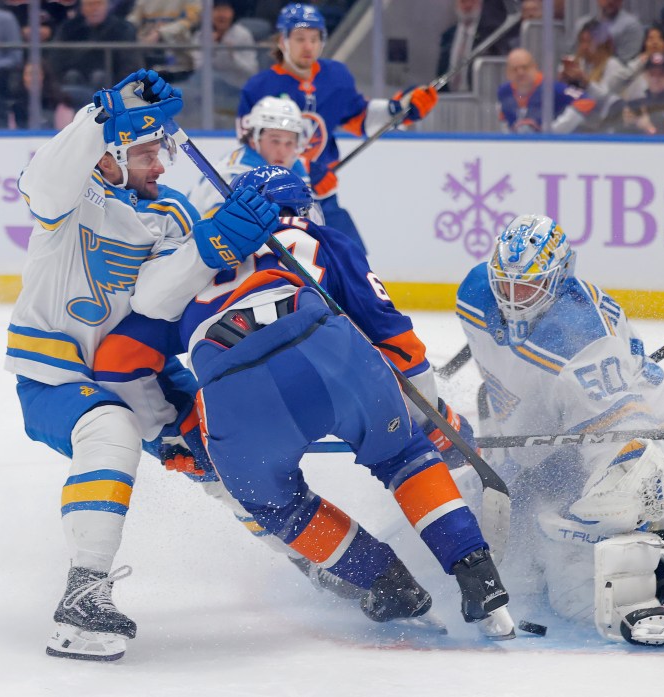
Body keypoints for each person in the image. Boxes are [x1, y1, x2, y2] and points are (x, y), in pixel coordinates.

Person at [110, 165, 517, 640]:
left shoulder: (188, 264)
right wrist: (431, 419)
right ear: (301, 209)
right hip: (327, 351)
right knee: (404, 455)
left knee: (274, 505)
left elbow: (120, 359)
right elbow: (393, 337)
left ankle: (389, 585)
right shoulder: (325, 240)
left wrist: (173, 434)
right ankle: (477, 573)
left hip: (230, 383)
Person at [4, 68, 278, 662]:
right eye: (149, 151)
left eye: (161, 150)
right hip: (59, 375)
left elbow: (158, 300)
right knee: (110, 429)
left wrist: (219, 243)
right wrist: (97, 116)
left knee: (229, 458)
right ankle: (83, 594)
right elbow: (41, 183)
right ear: (109, 158)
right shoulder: (70, 195)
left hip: (138, 370)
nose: (161, 165)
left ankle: (328, 562)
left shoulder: (172, 213)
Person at [455, 213, 664, 646]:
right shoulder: (476, 291)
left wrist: (613, 498)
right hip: (544, 441)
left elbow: (625, 430)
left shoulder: (582, 340)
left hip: (640, 440)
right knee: (516, 565)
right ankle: (656, 535)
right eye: (504, 284)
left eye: (527, 287)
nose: (512, 299)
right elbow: (507, 368)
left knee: (575, 586)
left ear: (560, 277)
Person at [238, 3, 438, 253]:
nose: (308, 46)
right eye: (300, 39)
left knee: (353, 259)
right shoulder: (258, 88)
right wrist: (307, 169)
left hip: (323, 197)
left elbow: (360, 117)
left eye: (315, 38)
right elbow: (251, 149)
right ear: (282, 41)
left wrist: (399, 109)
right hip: (273, 200)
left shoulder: (336, 77)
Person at [187, 95, 310, 219]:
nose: (282, 151)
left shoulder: (295, 166)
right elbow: (219, 228)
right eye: (275, 141)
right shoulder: (236, 174)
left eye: (289, 143)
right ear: (253, 139)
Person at [497, 47, 595, 134]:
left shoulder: (552, 87)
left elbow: (586, 101)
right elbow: (504, 119)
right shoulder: (504, 92)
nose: (520, 73)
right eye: (515, 69)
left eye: (525, 67)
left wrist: (555, 131)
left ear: (534, 67)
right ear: (508, 72)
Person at [51, 0, 141, 92]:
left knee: (99, 77)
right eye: (90, 4)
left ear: (107, 6)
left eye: (99, 4)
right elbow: (56, 60)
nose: (94, 9)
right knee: (71, 75)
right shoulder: (68, 28)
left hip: (111, 84)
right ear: (82, 8)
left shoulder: (123, 29)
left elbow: (130, 64)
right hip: (75, 80)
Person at [189, 0, 258, 113]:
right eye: (217, 10)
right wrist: (211, 50)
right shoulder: (201, 35)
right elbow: (198, 69)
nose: (221, 15)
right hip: (209, 89)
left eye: (225, 10)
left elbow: (252, 71)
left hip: (236, 88)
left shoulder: (242, 35)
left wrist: (232, 56)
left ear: (233, 13)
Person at [437, 0, 503, 93]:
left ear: (480, 3)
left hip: (478, 98)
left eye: (472, 1)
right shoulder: (448, 35)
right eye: (463, 1)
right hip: (451, 99)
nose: (468, 5)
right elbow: (441, 73)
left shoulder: (491, 34)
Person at [127, 0, 201, 80]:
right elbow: (132, 21)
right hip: (147, 64)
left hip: (180, 66)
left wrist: (160, 33)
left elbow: (191, 21)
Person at [619, 51, 664, 135]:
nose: (655, 79)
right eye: (652, 74)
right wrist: (626, 123)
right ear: (645, 76)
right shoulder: (635, 106)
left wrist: (652, 127)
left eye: (662, 74)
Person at [7, 60, 76, 130]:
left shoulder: (59, 102)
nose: (32, 78)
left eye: (36, 74)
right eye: (28, 74)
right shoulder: (17, 106)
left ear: (45, 76)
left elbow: (65, 133)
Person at [573, 0, 643, 63]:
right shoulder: (582, 24)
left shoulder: (631, 25)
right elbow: (573, 54)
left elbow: (626, 64)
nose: (611, 1)